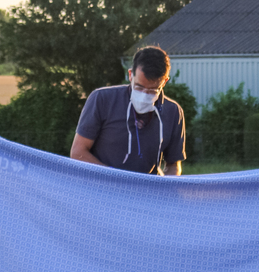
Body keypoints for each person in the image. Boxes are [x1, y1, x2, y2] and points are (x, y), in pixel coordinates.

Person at [71, 46, 186, 175]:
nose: (144, 95)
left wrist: (165, 190)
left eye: (152, 90)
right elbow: (78, 153)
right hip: (102, 188)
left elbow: (174, 164)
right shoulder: (102, 100)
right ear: (130, 75)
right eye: (139, 87)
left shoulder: (173, 111)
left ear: (164, 82)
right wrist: (114, 177)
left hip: (145, 191)